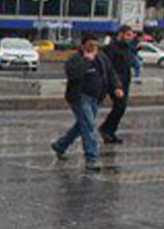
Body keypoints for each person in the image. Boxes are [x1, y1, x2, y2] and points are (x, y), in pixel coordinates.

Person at [52, 34, 122, 170]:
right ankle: (91, 158)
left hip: (95, 97)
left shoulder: (101, 57)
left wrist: (117, 87)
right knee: (89, 126)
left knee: (82, 125)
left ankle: (60, 145)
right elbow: (72, 74)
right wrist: (86, 61)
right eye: (90, 45)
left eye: (96, 46)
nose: (93, 48)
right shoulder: (76, 59)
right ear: (83, 46)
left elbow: (110, 73)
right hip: (80, 97)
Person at [99, 26, 136, 144]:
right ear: (120, 34)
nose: (130, 38)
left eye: (131, 35)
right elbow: (108, 67)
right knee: (120, 106)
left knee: (121, 107)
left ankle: (109, 132)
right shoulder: (111, 48)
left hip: (125, 81)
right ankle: (105, 129)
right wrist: (114, 83)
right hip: (115, 82)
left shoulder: (127, 48)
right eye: (128, 35)